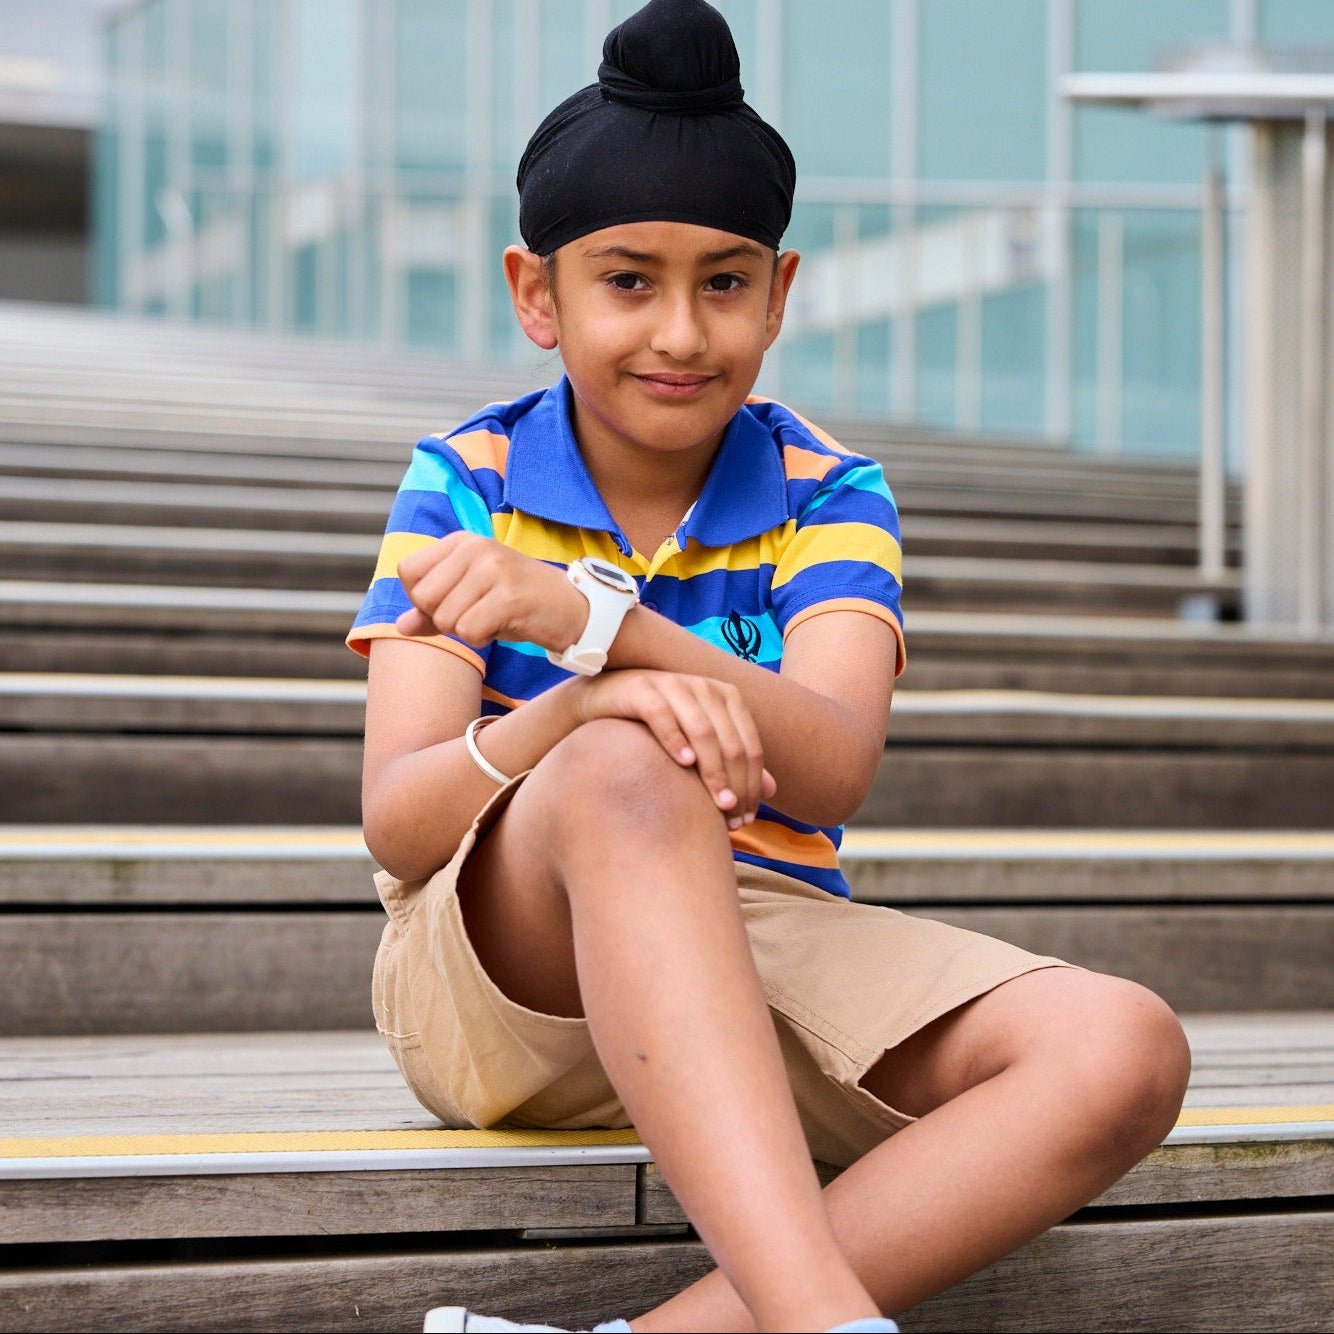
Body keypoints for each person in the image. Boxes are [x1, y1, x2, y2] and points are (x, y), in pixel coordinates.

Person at [348, 2, 1192, 1331]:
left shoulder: (826, 490)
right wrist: (586, 702)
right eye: (627, 280)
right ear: (536, 293)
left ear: (779, 292)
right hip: (501, 981)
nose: (681, 333)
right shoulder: (468, 480)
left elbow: (831, 758)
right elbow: (396, 822)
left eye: (724, 281)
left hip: (758, 947)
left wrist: (598, 621)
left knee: (1119, 1044)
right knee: (622, 765)